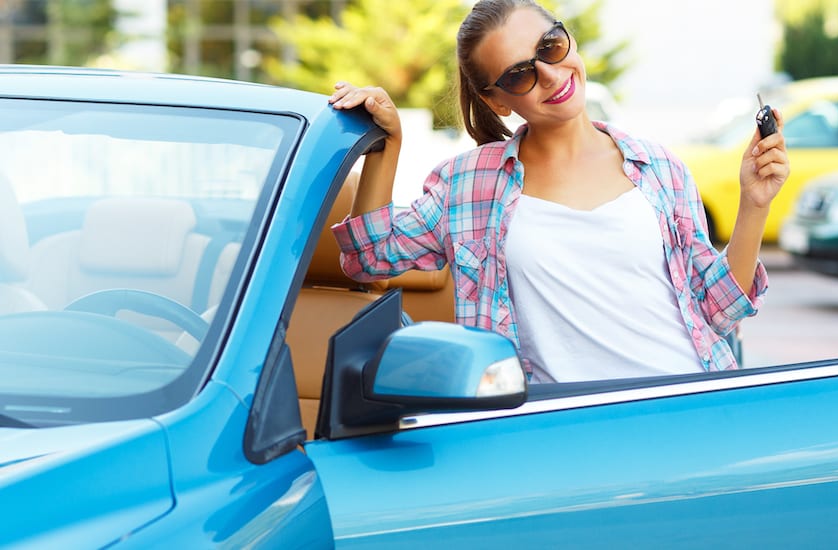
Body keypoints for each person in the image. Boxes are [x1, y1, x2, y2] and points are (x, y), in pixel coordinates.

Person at [328, 0, 789, 383]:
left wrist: (754, 204)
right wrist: (386, 147)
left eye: (550, 46)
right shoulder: (468, 184)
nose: (550, 74)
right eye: (518, 75)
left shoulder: (660, 168)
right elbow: (369, 258)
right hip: (556, 435)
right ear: (495, 100)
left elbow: (719, 309)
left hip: (687, 405)